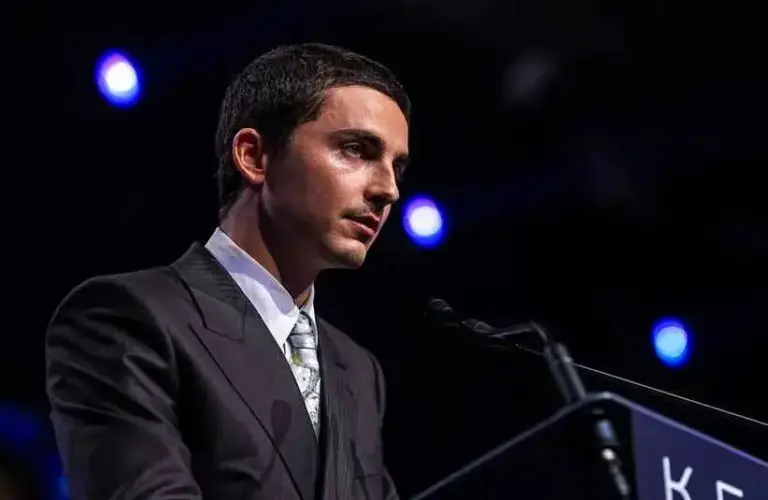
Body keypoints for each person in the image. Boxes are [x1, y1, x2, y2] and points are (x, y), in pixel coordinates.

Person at [45, 43, 410, 500]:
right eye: (356, 150)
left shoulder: (356, 370)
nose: (389, 189)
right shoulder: (128, 319)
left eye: (396, 166)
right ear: (254, 157)